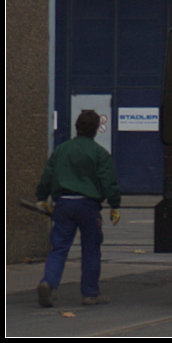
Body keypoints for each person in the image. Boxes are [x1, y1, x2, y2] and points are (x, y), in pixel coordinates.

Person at [35, 109, 121, 308]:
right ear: (96, 129)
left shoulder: (62, 150)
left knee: (59, 248)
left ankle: (48, 283)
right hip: (88, 206)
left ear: (77, 127)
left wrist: (42, 198)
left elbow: (47, 176)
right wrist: (114, 204)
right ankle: (90, 294)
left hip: (63, 204)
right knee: (91, 248)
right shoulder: (100, 153)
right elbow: (108, 182)